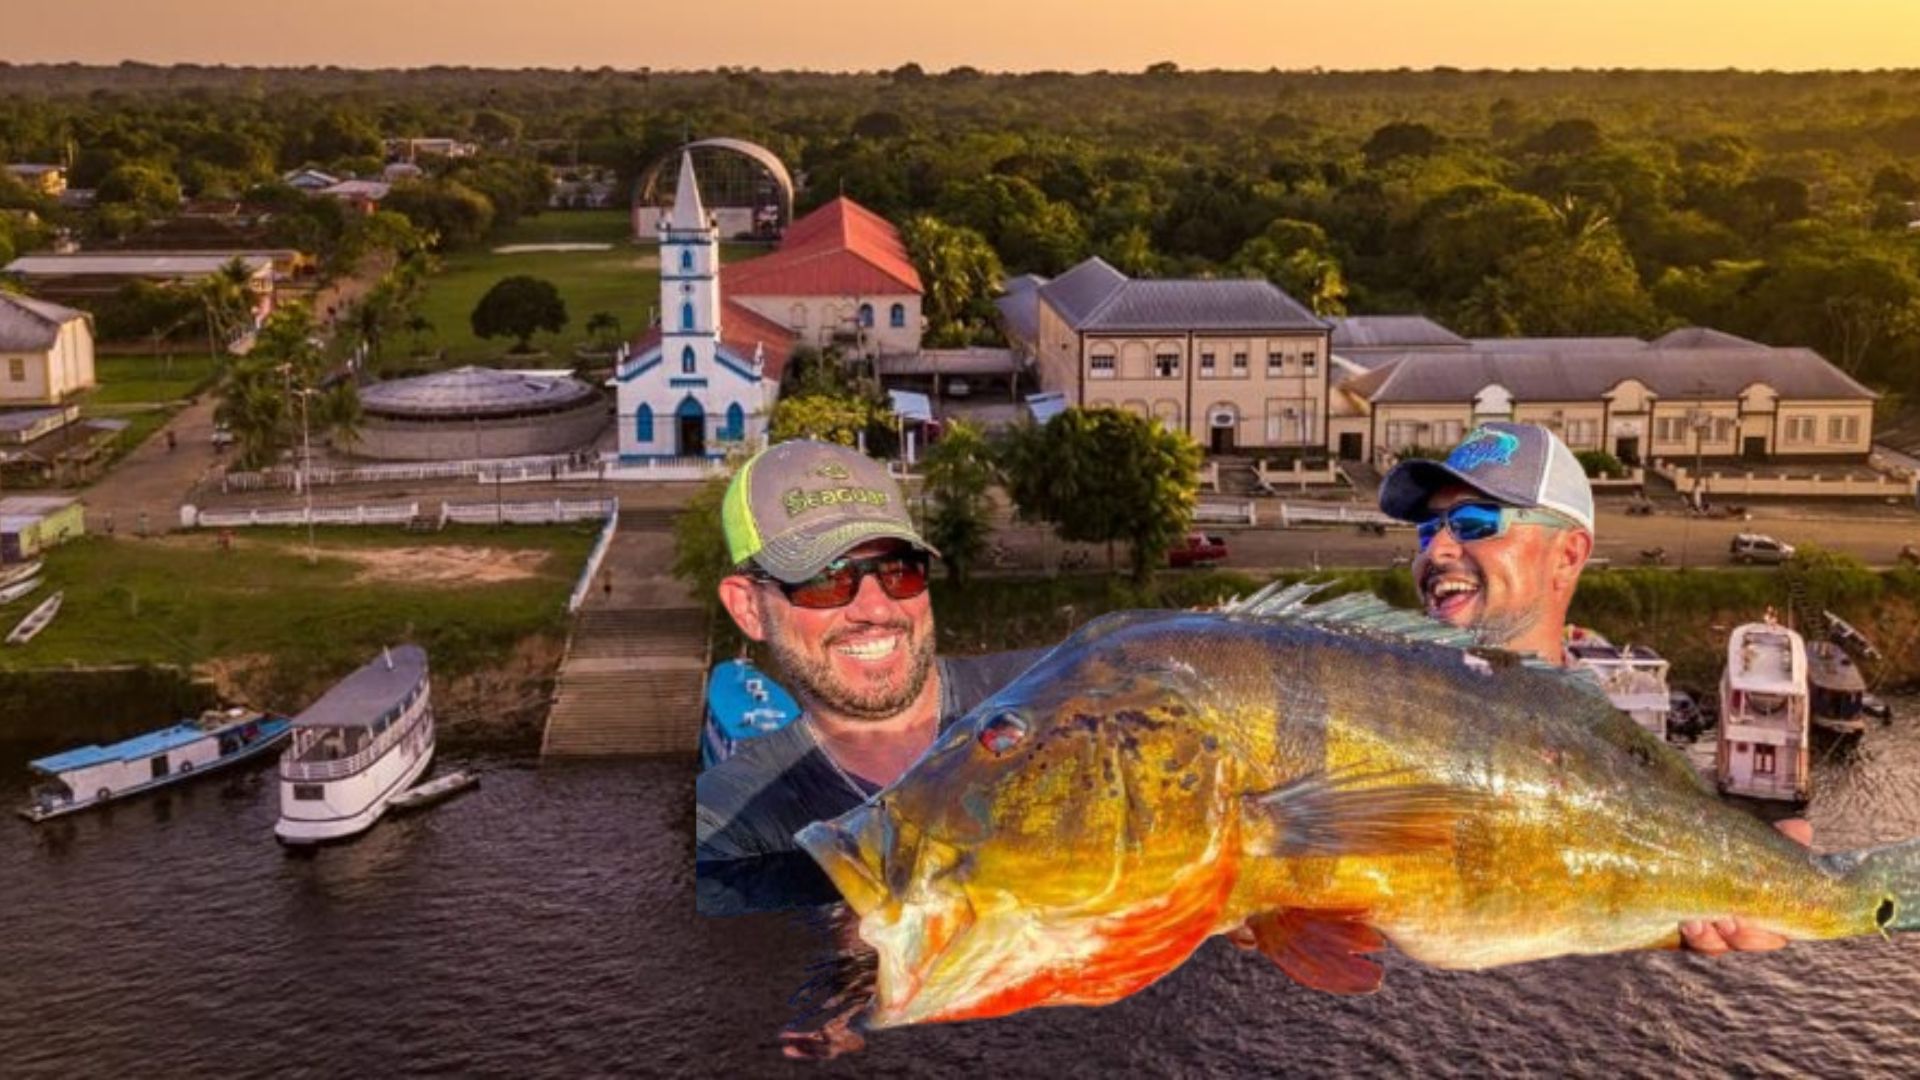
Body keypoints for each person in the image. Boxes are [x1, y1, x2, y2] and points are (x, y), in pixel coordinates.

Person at [1379, 422, 1806, 956]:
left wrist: (1764, 887)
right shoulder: (1381, 693)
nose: (1436, 549)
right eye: (1428, 530)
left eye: (1474, 522)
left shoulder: (1611, 743)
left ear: (1568, 555)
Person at [695, 439, 1040, 916]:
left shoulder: (1062, 695)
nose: (877, 609)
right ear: (749, 608)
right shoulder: (726, 828)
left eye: (899, 570)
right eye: (825, 578)